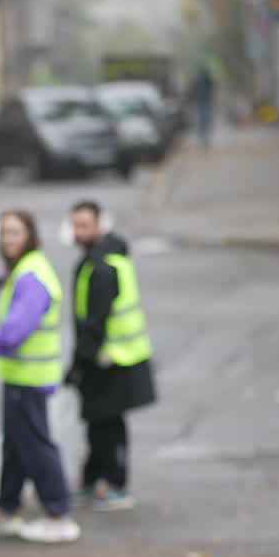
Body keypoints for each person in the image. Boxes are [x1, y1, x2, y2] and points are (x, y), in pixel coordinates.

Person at [0, 210, 80, 545]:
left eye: (15, 233)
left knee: (35, 445)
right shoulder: (22, 271)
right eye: (4, 233)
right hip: (20, 376)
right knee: (16, 446)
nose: (8, 239)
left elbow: (16, 330)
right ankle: (6, 510)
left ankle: (58, 514)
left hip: (29, 378)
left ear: (30, 235)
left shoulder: (31, 275)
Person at [66, 201, 156, 509]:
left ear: (99, 225)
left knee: (108, 425)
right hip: (107, 359)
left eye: (85, 225)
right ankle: (94, 480)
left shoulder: (103, 267)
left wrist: (77, 365)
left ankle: (116, 485)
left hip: (113, 360)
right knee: (96, 422)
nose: (79, 231)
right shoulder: (99, 260)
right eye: (75, 225)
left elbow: (95, 325)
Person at [189, 62, 216, 148]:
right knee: (205, 121)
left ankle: (202, 138)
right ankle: (204, 139)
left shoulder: (198, 79)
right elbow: (212, 89)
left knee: (202, 121)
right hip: (205, 102)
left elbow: (193, 90)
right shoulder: (207, 78)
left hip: (201, 102)